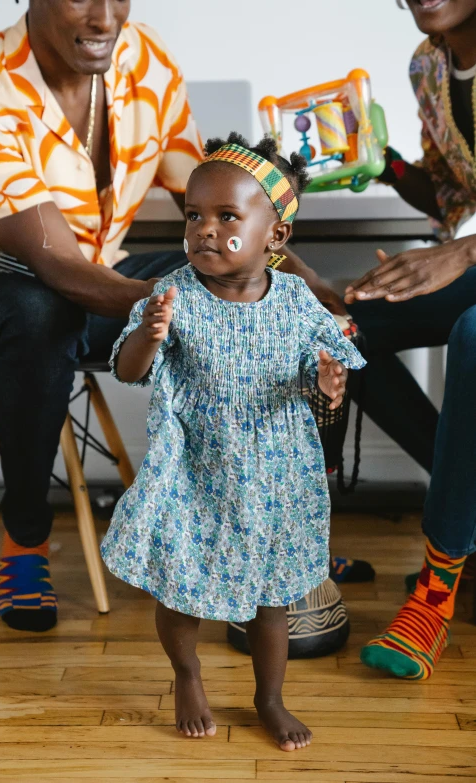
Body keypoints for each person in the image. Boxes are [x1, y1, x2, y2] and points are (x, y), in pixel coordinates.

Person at [0, 0, 352, 634]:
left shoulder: (143, 56)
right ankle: (25, 542)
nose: (106, 16)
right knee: (38, 315)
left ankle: (283, 534)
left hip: (101, 268)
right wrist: (195, 302)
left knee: (265, 302)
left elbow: (219, 199)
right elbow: (57, 268)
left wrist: (308, 286)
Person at [100, 133, 366, 750]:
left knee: (272, 599)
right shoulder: (174, 294)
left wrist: (327, 383)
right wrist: (151, 334)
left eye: (226, 217)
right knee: (181, 585)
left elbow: (322, 375)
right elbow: (128, 369)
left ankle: (268, 697)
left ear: (275, 236)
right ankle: (187, 673)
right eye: (194, 216)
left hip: (275, 473)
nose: (205, 231)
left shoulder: (297, 301)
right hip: (194, 466)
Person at [344, 0, 476, 680]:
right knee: (347, 326)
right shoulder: (428, 64)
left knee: (473, 330)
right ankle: (469, 517)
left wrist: (464, 252)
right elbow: (452, 193)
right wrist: (380, 162)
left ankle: (438, 584)